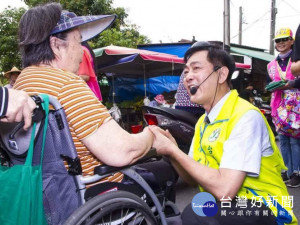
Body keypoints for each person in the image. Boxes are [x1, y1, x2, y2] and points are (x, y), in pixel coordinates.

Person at [15, 4, 177, 217]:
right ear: (56, 45)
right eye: (78, 41)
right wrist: (151, 135)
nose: (83, 53)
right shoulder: (65, 83)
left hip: (45, 194)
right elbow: (121, 151)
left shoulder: (21, 84)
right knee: (167, 170)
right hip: (90, 194)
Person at [150, 41, 297, 225]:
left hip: (267, 208)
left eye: (196, 68)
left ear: (221, 74)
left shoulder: (245, 116)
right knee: (188, 210)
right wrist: (173, 152)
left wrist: (174, 151)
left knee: (195, 215)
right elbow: (191, 179)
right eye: (186, 71)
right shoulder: (203, 123)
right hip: (231, 206)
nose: (187, 77)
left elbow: (225, 189)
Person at [267, 28, 300, 188]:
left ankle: (297, 173)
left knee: (295, 140)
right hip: (278, 105)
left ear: (292, 41)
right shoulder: (271, 65)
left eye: (284, 39)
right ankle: (287, 171)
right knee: (284, 140)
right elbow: (269, 83)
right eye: (278, 40)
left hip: (295, 104)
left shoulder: (297, 60)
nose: (281, 43)